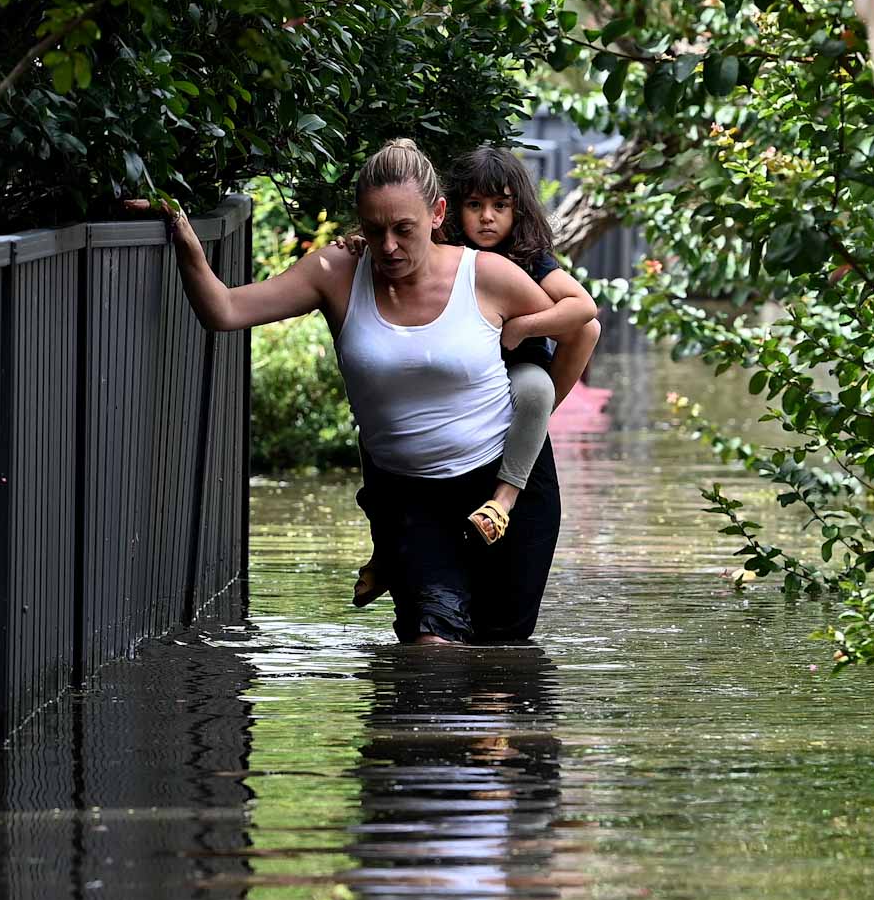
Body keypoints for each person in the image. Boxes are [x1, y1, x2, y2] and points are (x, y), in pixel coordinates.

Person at [144, 139, 594, 645]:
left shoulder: (487, 274)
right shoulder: (335, 272)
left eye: (404, 229)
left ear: (437, 213)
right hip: (411, 497)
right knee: (431, 648)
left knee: (498, 660)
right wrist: (184, 238)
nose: (388, 247)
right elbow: (223, 311)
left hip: (505, 490)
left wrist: (543, 403)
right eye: (374, 230)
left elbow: (579, 326)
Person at [351, 147, 600, 606]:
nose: (487, 218)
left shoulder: (529, 258)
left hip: (514, 369)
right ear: (449, 209)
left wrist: (525, 326)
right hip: (443, 392)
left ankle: (503, 499)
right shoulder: (441, 253)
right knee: (377, 425)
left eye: (500, 207)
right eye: (475, 206)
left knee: (535, 390)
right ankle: (384, 549)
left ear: (517, 211)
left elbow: (585, 313)